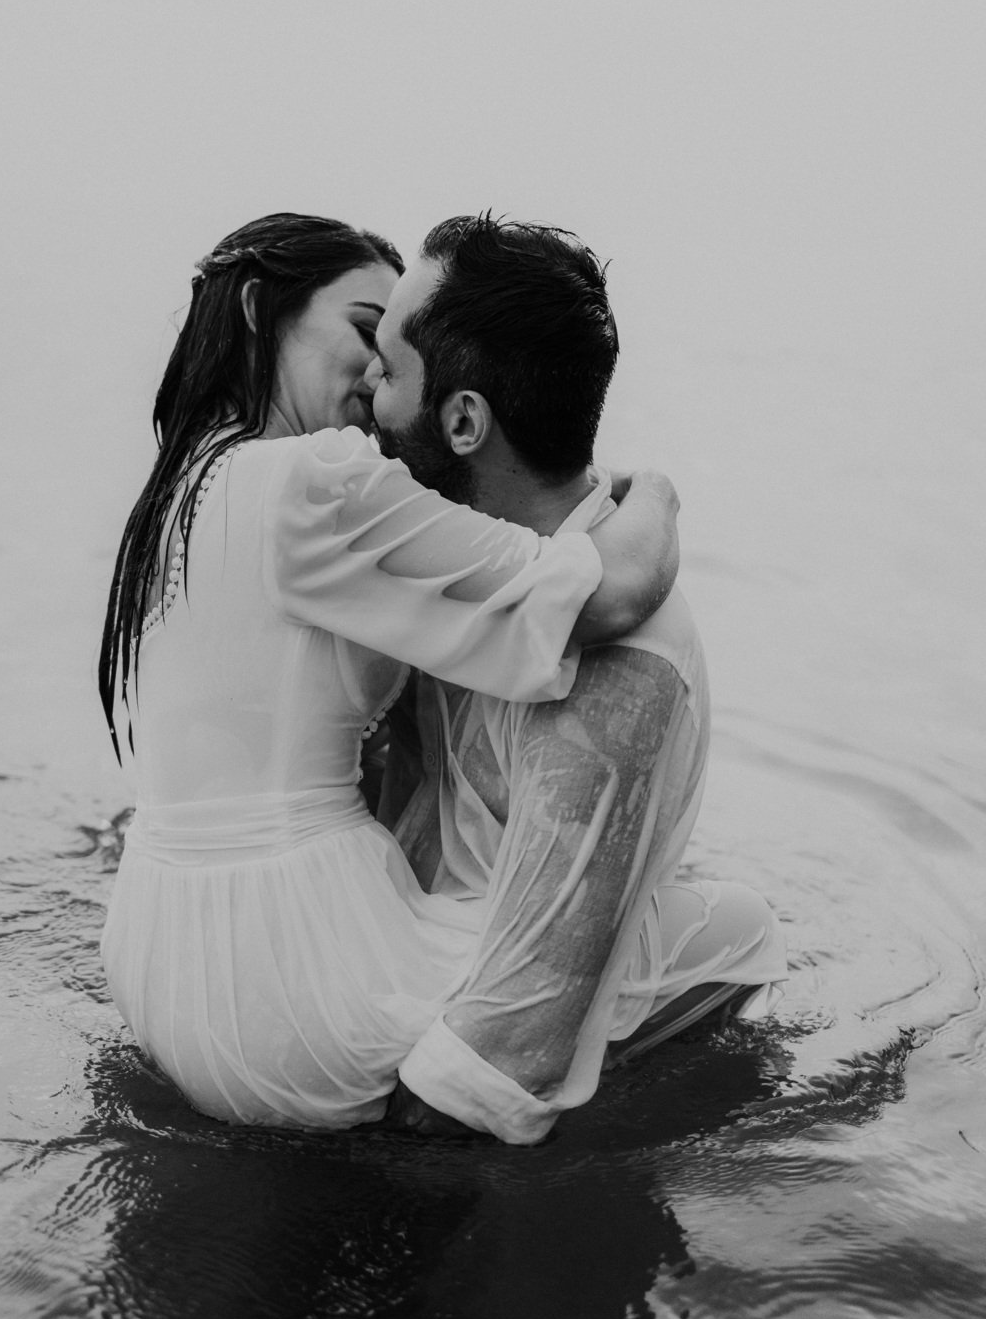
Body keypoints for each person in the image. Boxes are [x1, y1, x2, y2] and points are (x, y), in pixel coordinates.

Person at [98, 213, 680, 1132]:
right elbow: (605, 595)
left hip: (157, 953)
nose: (378, 374)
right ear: (257, 311)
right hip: (291, 984)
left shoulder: (182, 487)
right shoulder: (314, 478)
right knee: (710, 937)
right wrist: (655, 495)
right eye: (365, 329)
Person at [361, 215, 787, 1142]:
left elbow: (499, 1056)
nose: (363, 389)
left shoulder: (614, 672)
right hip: (406, 942)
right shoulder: (452, 561)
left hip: (464, 1004)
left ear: (463, 421)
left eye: (387, 371)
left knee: (736, 927)